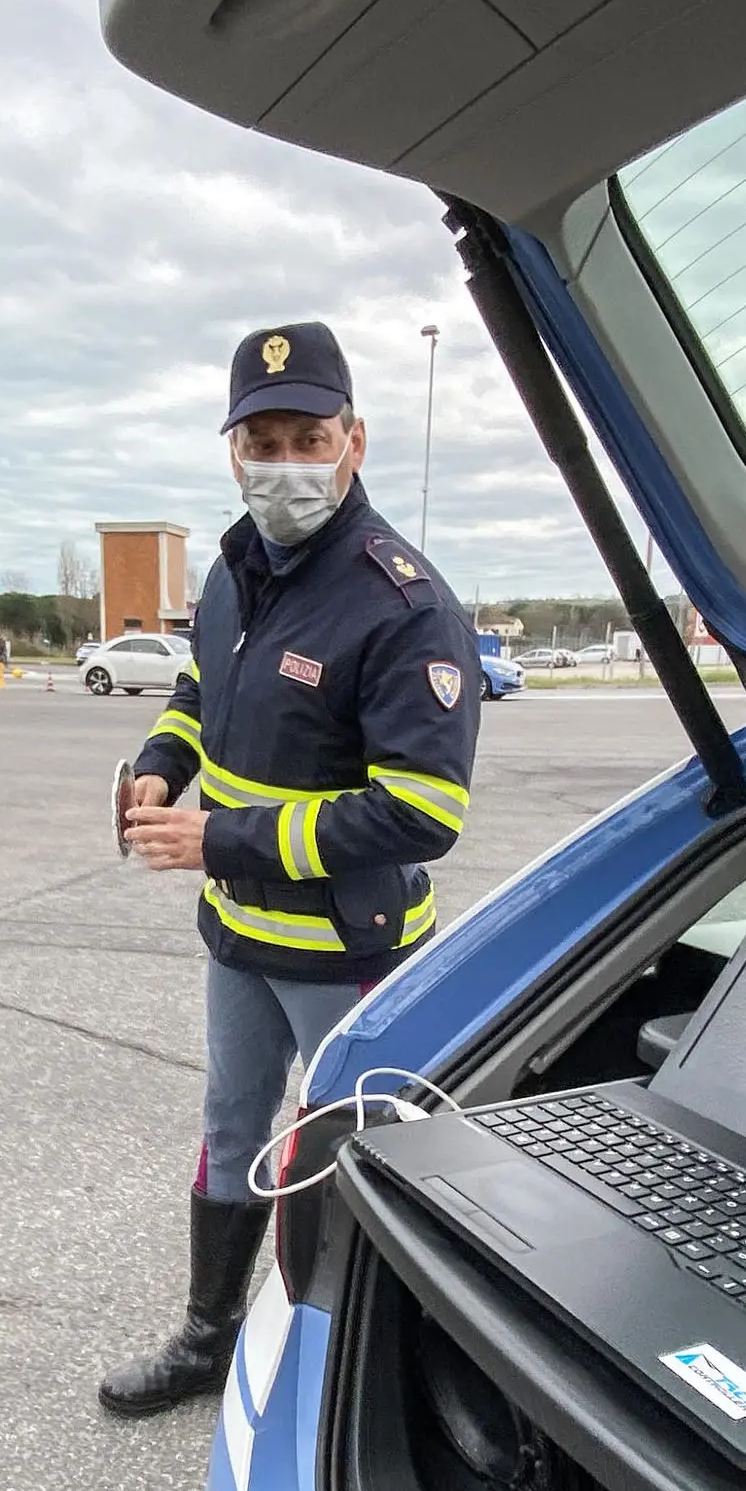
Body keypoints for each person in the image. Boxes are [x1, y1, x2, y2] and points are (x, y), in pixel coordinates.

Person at [101, 322, 484, 1415]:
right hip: (240, 937)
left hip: (345, 955)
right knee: (230, 1128)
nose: (284, 462)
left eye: (306, 436)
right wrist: (165, 766)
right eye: (261, 439)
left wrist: (218, 837)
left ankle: (371, 1373)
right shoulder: (232, 573)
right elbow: (198, 690)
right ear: (232, 450)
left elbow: (423, 812)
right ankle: (206, 1339)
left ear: (353, 441)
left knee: (358, 1162)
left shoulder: (401, 605)